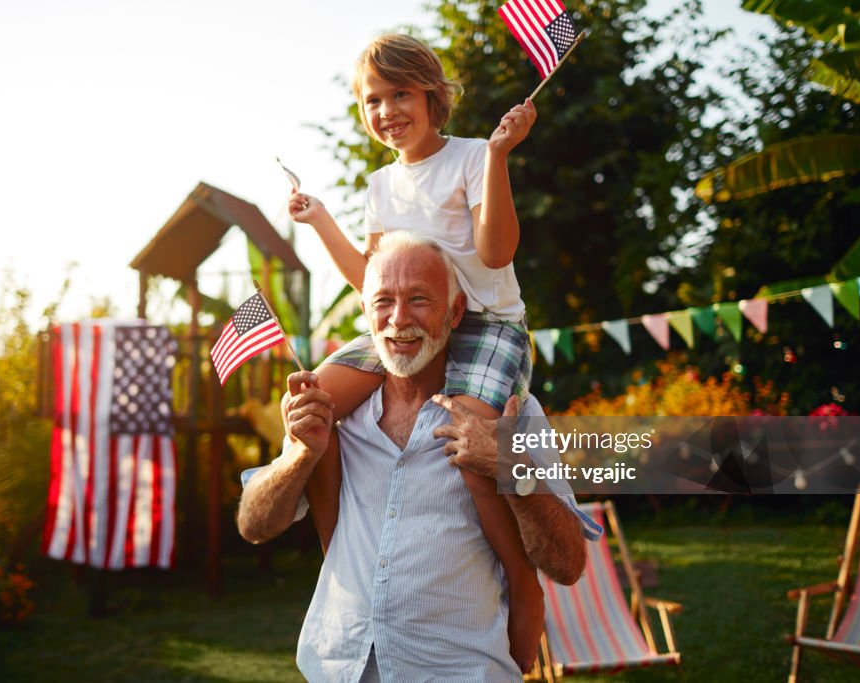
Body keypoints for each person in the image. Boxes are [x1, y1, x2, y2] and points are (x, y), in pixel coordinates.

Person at [238, 234, 600, 681]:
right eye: (384, 301)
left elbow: (568, 564)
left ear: (455, 312)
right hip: (340, 669)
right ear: (366, 312)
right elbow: (254, 525)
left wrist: (510, 467)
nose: (399, 319)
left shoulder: (511, 414)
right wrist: (299, 456)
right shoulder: (332, 418)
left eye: (419, 299)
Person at [287, 33, 543, 666]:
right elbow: (370, 279)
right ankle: (346, 564)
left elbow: (496, 254)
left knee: (472, 448)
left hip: (484, 326)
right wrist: (321, 218)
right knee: (314, 403)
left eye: (399, 94)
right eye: (372, 101)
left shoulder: (471, 157)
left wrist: (501, 156)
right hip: (407, 326)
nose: (385, 111)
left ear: (433, 97)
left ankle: (523, 582)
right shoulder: (380, 185)